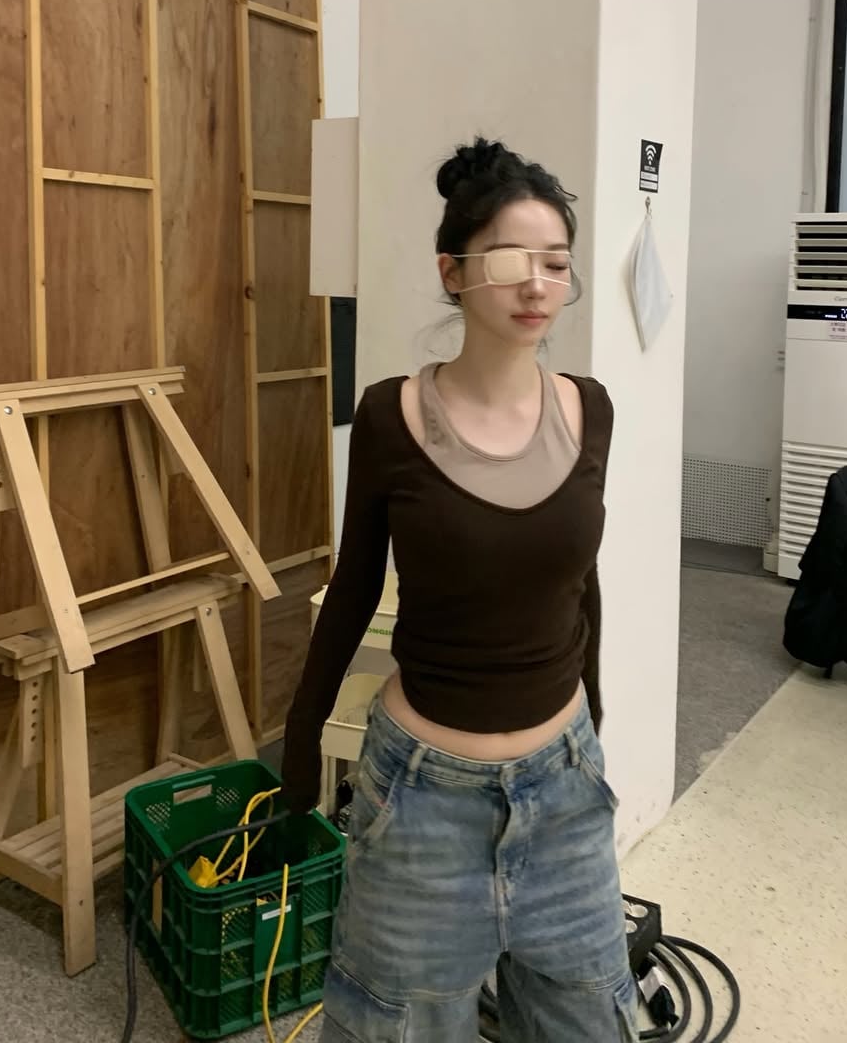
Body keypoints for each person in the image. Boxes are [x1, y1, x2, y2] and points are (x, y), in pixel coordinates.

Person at [282, 138, 637, 1042]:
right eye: (510, 262)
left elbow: (580, 583)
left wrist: (594, 723)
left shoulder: (590, 409)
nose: (536, 285)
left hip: (565, 789)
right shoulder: (389, 415)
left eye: (555, 263)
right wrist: (299, 745)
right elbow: (354, 585)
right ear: (453, 272)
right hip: (421, 803)